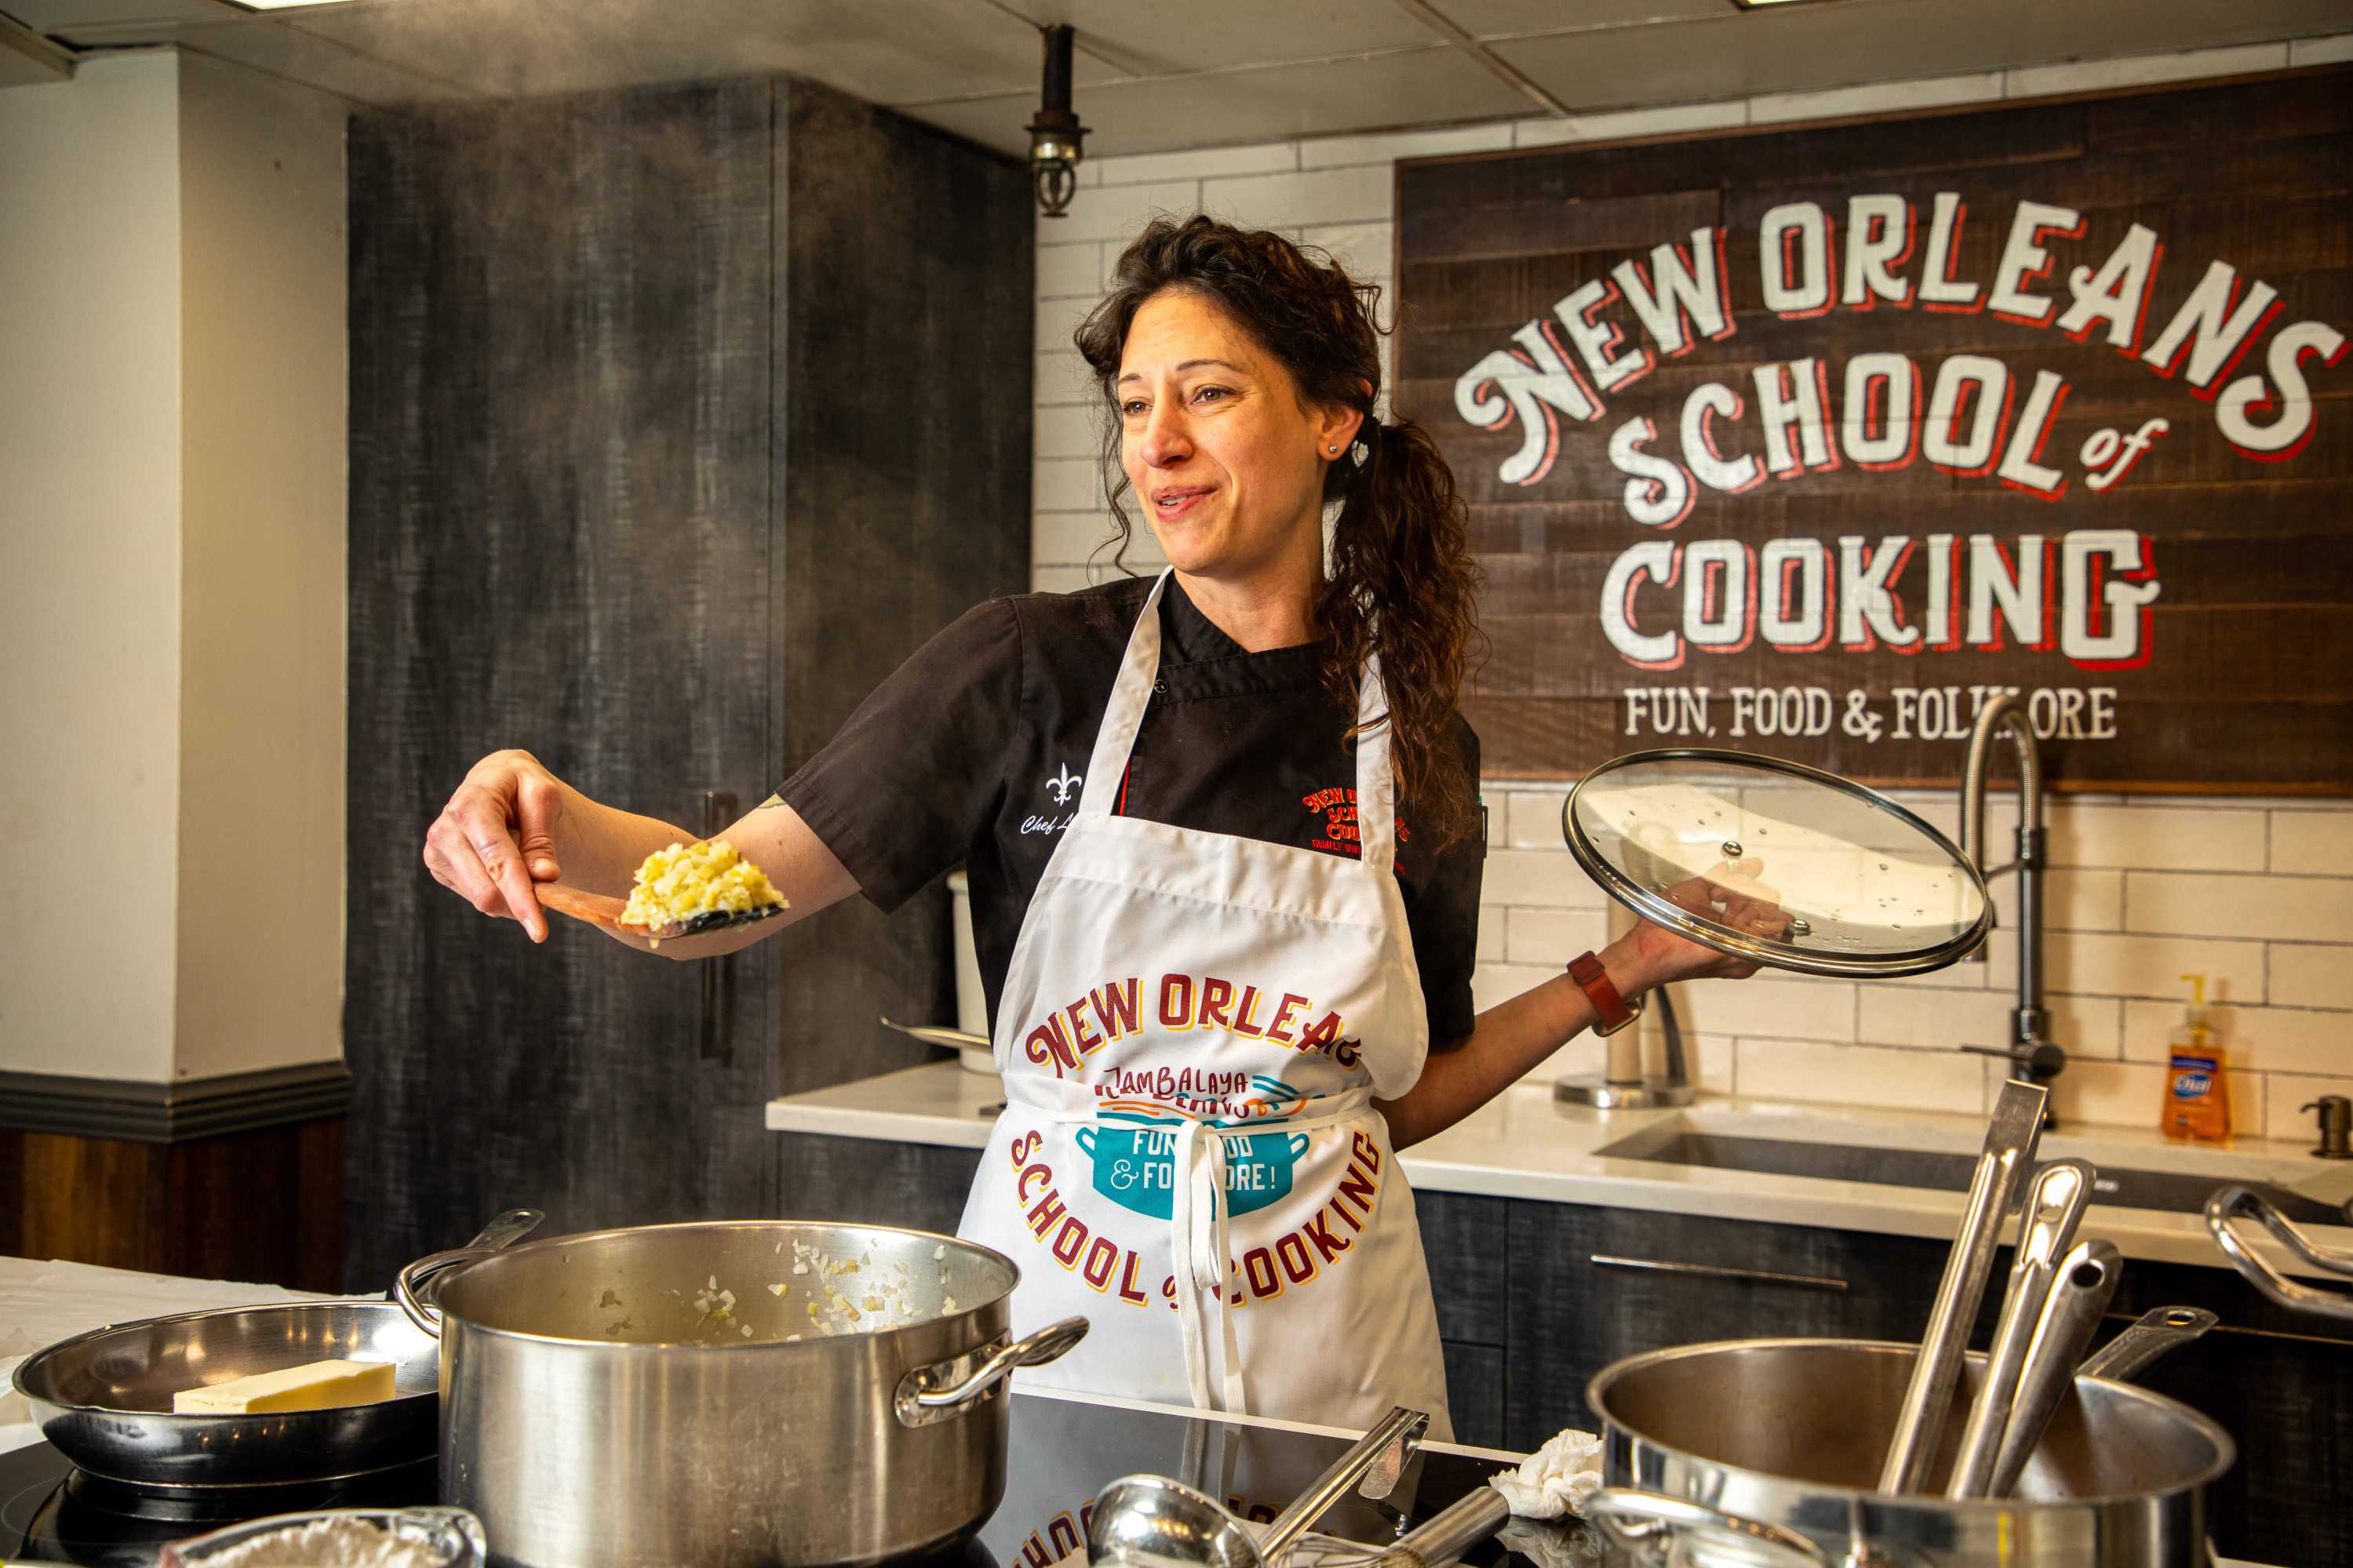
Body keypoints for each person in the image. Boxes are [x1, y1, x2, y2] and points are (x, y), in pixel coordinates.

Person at [423, 214, 1775, 1439]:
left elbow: (1390, 1099)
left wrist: (1625, 971)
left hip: (1335, 1371)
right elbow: (719, 898)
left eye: (1207, 394)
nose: (1158, 445)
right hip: (1075, 1351)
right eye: (1135, 406)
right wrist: (547, 809)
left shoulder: (1411, 735)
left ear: (1331, 420)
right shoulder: (1027, 669)